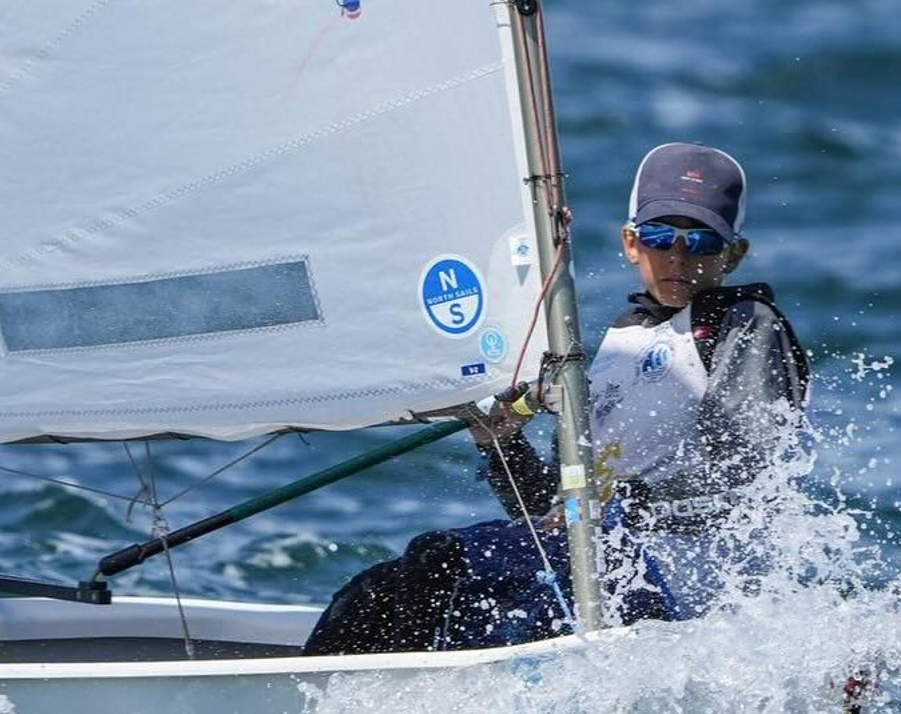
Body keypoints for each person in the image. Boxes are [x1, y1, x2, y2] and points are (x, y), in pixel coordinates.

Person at [302, 143, 809, 656]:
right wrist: (502, 445)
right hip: (599, 562)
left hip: (683, 582)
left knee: (439, 566)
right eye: (659, 236)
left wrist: (627, 505)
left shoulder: (746, 325)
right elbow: (550, 505)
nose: (677, 256)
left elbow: (746, 470)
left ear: (734, 253)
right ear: (631, 243)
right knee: (395, 589)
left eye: (700, 241)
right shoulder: (622, 338)